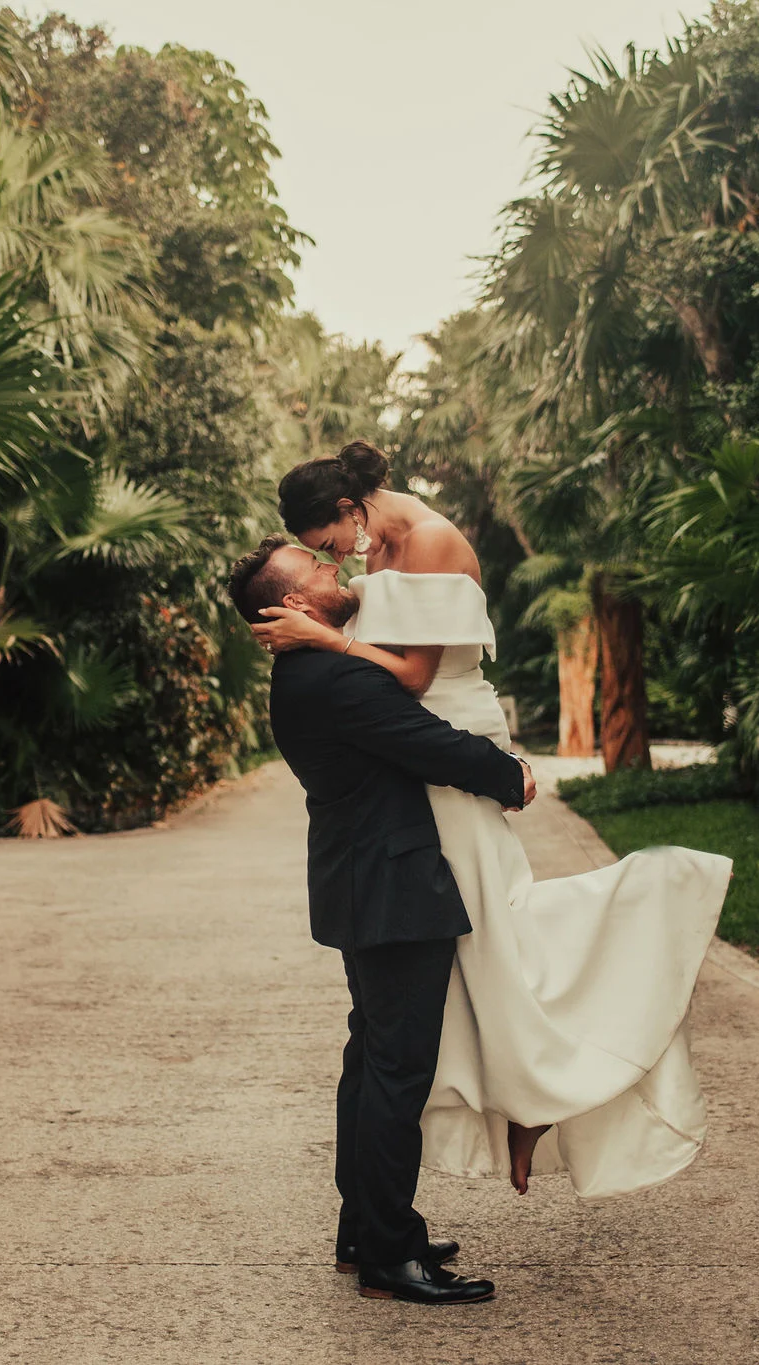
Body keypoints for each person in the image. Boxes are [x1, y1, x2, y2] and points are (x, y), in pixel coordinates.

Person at [253, 440, 732, 1203]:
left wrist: (323, 637)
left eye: (328, 545)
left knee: (498, 929)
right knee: (477, 947)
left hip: (447, 736)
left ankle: (541, 1091)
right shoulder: (377, 553)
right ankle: (525, 1103)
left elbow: (413, 674)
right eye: (320, 557)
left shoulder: (435, 540)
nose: (335, 563)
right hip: (418, 749)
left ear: (350, 510)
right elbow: (391, 678)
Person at [229, 532, 537, 1306]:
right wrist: (511, 777)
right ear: (294, 601)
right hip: (393, 889)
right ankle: (389, 1257)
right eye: (319, 568)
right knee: (397, 1072)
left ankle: (364, 1227)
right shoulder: (334, 676)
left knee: (371, 1062)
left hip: (361, 882)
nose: (336, 568)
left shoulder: (311, 668)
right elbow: (427, 742)